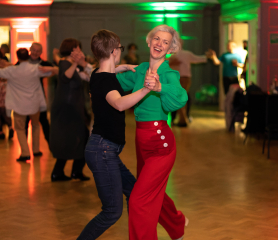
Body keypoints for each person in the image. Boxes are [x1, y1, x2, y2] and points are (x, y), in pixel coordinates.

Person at [76, 29, 158, 240]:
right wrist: (146, 89)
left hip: (103, 149)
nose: (120, 51)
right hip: (102, 150)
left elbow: (110, 69)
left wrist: (126, 66)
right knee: (111, 212)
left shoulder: (97, 74)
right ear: (114, 50)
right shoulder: (106, 82)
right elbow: (119, 104)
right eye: (119, 48)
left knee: (134, 193)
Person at [116, 24, 189, 240]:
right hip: (142, 142)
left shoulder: (169, 73)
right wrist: (113, 68)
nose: (159, 44)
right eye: (156, 39)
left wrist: (160, 88)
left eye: (165, 42)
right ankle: (177, 224)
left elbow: (181, 97)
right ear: (149, 42)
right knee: (152, 191)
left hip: (161, 144)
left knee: (139, 200)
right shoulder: (139, 69)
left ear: (170, 49)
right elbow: (112, 83)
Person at [0, 48, 55, 161]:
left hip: (19, 105)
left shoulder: (11, 70)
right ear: (28, 55)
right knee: (36, 126)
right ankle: (36, 150)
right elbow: (52, 71)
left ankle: (25, 153)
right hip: (34, 104)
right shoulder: (35, 69)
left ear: (17, 57)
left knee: (20, 129)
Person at [44, 38, 90, 181]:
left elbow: (85, 77)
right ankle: (62, 172)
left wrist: (84, 67)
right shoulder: (65, 63)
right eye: (77, 49)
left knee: (77, 138)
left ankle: (69, 171)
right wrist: (76, 63)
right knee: (73, 138)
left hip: (72, 107)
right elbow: (65, 77)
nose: (79, 51)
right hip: (67, 109)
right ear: (71, 50)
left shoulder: (72, 65)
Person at [24, 42, 59, 144]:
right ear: (30, 49)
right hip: (25, 98)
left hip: (39, 97)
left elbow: (57, 69)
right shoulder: (22, 63)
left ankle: (51, 145)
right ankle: (25, 149)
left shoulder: (44, 64)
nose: (35, 52)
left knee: (44, 121)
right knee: (25, 122)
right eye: (34, 50)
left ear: (41, 53)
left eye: (37, 51)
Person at [168, 39, 208, 127]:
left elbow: (198, 59)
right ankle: (183, 120)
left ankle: (183, 120)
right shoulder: (173, 55)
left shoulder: (183, 54)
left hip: (182, 79)